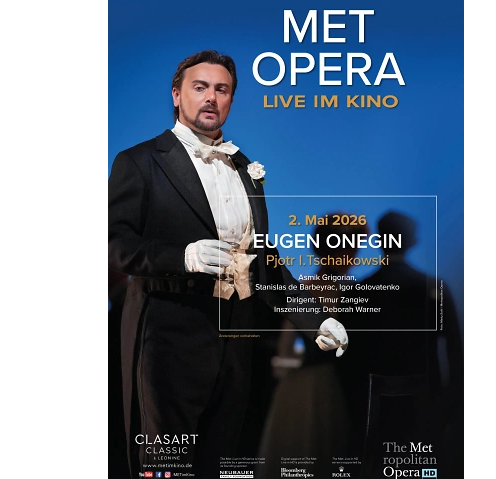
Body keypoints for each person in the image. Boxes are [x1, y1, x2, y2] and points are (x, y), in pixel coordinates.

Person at [107, 50, 350, 479]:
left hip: (235, 342)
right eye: (200, 87)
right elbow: (115, 245)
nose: (211, 97)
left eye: (222, 90)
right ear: (177, 95)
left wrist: (315, 320)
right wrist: (182, 257)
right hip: (167, 341)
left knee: (220, 467)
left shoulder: (245, 168)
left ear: (231, 100)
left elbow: (264, 264)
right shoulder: (140, 161)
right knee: (166, 470)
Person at [336, 211, 464, 475]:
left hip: (371, 408)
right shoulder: (434, 288)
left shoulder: (357, 293)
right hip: (425, 405)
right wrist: (451, 404)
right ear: (413, 241)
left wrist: (353, 405)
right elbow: (454, 351)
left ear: (379, 241)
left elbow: (346, 358)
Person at [256, 213, 368, 478]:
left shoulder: (305, 287)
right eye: (353, 248)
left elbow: (285, 350)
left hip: (303, 386)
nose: (356, 256)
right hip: (323, 386)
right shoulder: (346, 290)